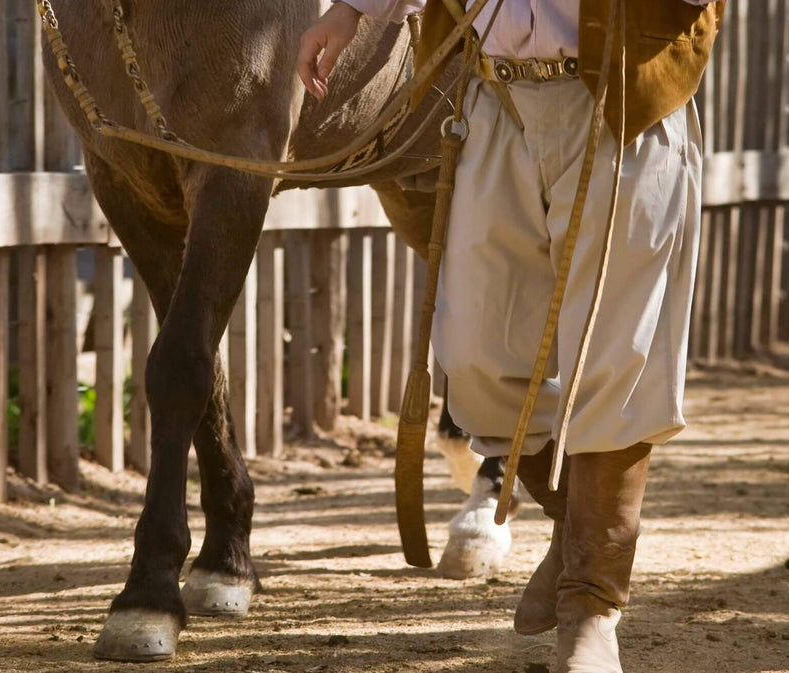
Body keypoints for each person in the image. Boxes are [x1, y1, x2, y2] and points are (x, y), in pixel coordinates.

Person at [297, 1, 724, 671]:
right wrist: (354, 11)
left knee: (614, 362)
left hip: (621, 95)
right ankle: (575, 523)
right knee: (474, 360)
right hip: (493, 94)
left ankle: (591, 603)